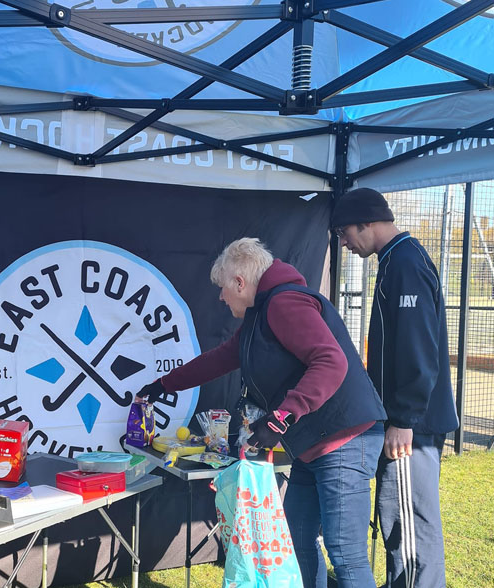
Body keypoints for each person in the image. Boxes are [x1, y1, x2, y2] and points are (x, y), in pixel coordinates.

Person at [137, 237, 387, 588]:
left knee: (345, 553)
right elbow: (220, 359)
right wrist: (165, 384)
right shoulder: (261, 313)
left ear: (240, 282)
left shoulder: (285, 304)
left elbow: (331, 361)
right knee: (298, 542)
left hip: (344, 438)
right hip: (310, 444)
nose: (221, 298)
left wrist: (282, 416)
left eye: (224, 289)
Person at [332, 187, 458, 588]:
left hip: (412, 427)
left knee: (409, 522)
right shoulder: (394, 260)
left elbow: (419, 350)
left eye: (345, 233)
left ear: (366, 222)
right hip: (402, 420)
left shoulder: (405, 263)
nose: (345, 243)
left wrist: (404, 419)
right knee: (395, 515)